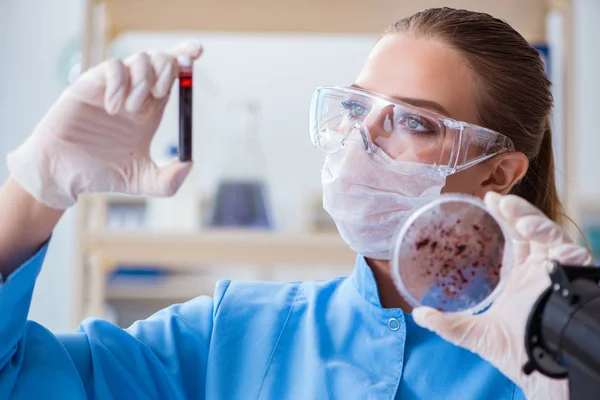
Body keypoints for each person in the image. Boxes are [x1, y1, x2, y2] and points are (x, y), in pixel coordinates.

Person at [0, 7, 592, 400]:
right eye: (358, 108)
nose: (362, 139)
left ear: (497, 173)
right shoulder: (229, 337)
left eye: (413, 121)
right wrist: (34, 191)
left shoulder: (549, 354)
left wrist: (581, 346)